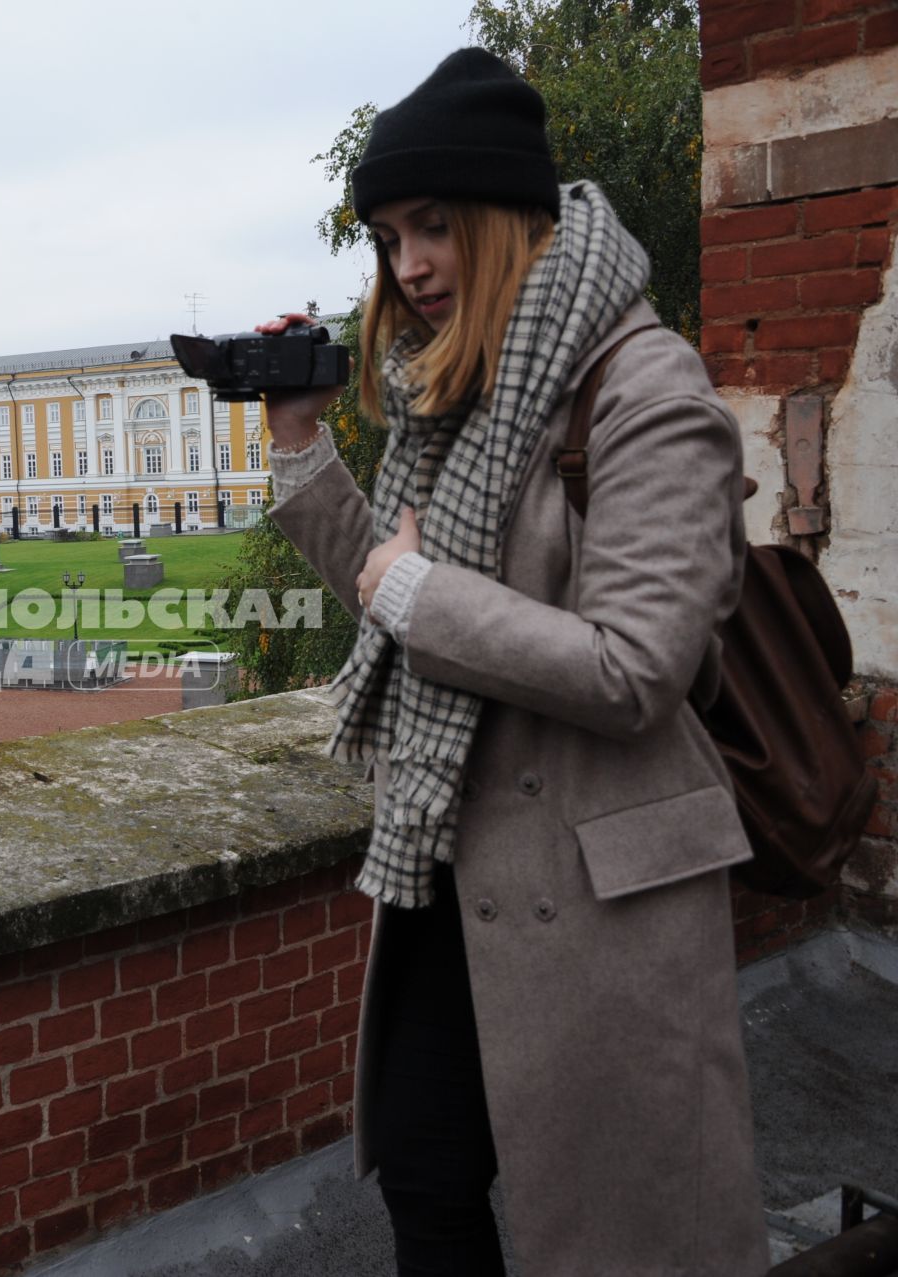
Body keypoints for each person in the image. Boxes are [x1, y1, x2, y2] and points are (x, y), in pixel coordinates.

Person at [260, 48, 768, 1277]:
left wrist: (421, 591)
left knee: (612, 1237)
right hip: (450, 869)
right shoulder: (460, 392)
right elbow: (399, 593)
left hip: (601, 896)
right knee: (429, 1182)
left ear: (512, 216)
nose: (408, 264)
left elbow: (637, 665)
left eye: (432, 225)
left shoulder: (646, 388)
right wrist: (298, 446)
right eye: (387, 236)